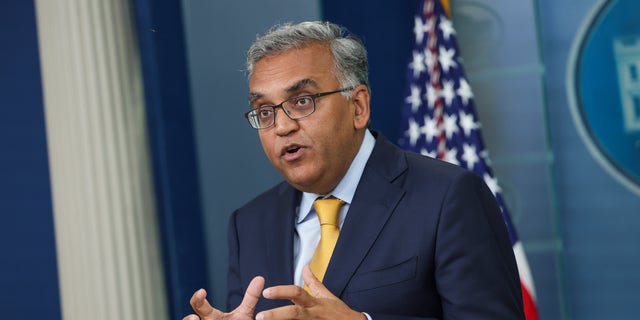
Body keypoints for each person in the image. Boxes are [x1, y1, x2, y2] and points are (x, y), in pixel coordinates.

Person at [184, 21, 524, 320]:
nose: (281, 127)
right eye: (265, 111)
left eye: (302, 101)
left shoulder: (448, 197)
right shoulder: (249, 224)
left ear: (358, 107)